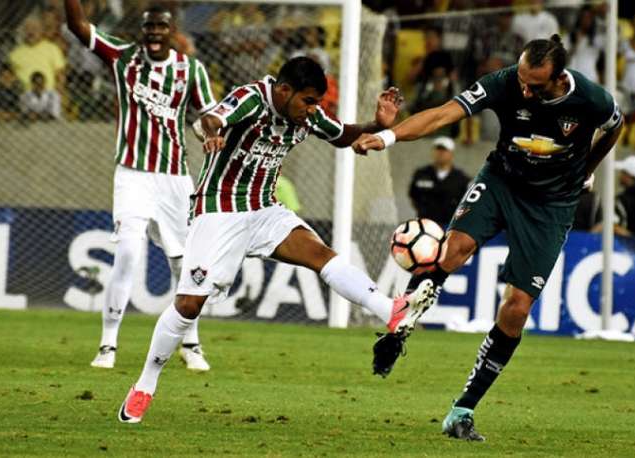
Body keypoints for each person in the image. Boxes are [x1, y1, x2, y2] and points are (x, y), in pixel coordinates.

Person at [116, 56, 436, 424]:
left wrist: (376, 126)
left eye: (317, 102)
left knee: (320, 253)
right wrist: (213, 133)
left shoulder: (308, 115)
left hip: (265, 209)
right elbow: (211, 119)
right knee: (188, 305)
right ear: (285, 91)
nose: (313, 109)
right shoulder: (252, 99)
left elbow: (341, 134)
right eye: (308, 101)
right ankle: (145, 384)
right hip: (219, 209)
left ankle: (389, 311)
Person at [354, 35, 623, 441]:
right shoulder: (504, 82)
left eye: (534, 85)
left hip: (551, 204)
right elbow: (445, 113)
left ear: (559, 79)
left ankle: (462, 411)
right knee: (451, 249)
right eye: (522, 78)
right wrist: (388, 137)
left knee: (515, 309)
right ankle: (401, 324)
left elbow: (616, 126)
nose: (524, 89)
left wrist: (587, 167)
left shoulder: (592, 99)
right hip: (501, 182)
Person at [65, 0, 216, 371]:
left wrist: (209, 132)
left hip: (174, 180)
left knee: (185, 266)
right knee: (129, 253)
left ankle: (191, 344)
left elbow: (209, 114)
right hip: (132, 174)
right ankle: (107, 346)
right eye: (149, 27)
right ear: (142, 30)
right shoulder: (123, 57)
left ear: (173, 31)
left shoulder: (190, 70)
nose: (154, 34)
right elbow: (78, 26)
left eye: (161, 27)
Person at [408, 136, 471, 228]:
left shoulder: (461, 178)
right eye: (437, 149)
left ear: (451, 153)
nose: (440, 153)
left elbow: (466, 203)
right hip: (425, 225)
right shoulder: (421, 174)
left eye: (444, 150)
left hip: (450, 226)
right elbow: (413, 196)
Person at [8, 15, 66, 93]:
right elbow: (10, 77)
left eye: (34, 28)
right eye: (27, 29)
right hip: (26, 95)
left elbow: (60, 73)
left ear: (41, 30)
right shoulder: (14, 54)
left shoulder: (52, 48)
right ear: (23, 32)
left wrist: (59, 91)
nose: (30, 32)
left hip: (49, 93)